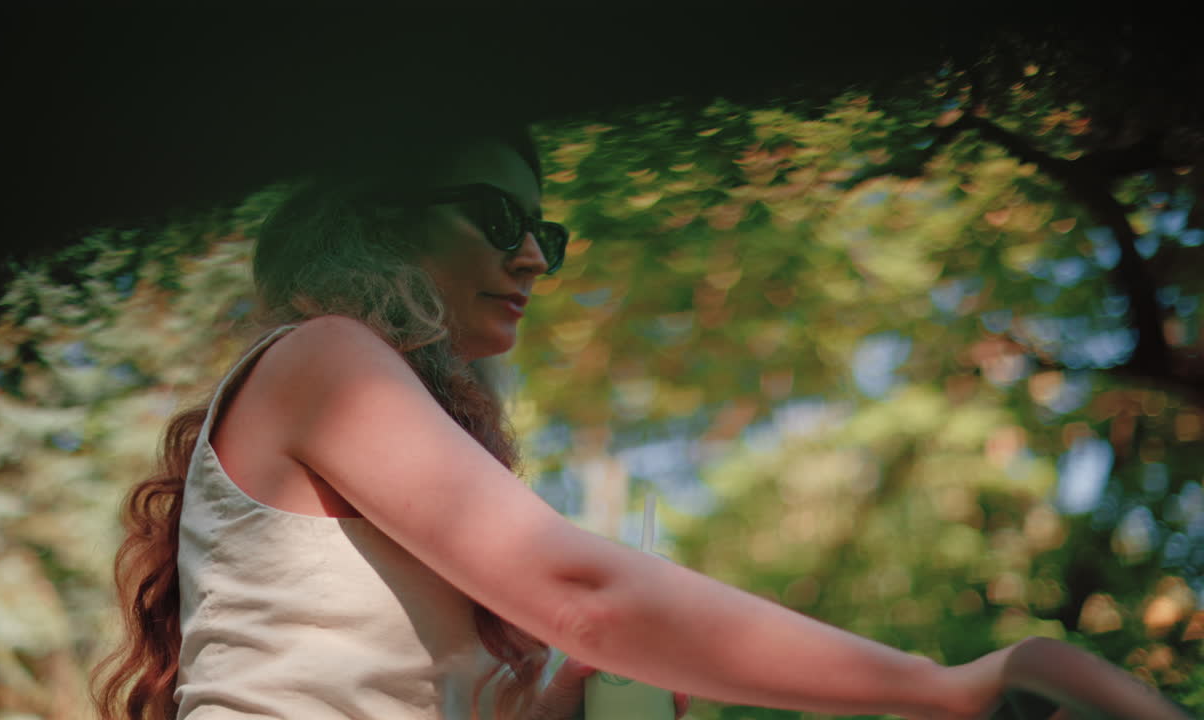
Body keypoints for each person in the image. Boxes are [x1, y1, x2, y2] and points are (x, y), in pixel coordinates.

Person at [90, 124, 1055, 720]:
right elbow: (583, 594)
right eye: (496, 218)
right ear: (376, 219)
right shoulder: (326, 358)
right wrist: (942, 687)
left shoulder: (374, 401)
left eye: (543, 233)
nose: (534, 259)